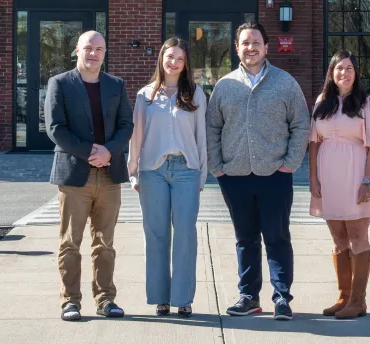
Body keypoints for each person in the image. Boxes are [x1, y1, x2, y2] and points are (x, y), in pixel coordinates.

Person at [207, 22, 309, 322]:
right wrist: (217, 167)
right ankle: (249, 297)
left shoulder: (285, 83)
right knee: (245, 238)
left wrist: (290, 163)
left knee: (277, 237)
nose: (250, 47)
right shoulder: (225, 86)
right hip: (234, 176)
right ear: (237, 48)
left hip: (275, 174)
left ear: (266, 47)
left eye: (255, 42)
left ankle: (281, 298)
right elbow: (212, 128)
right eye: (244, 42)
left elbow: (301, 124)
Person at [45, 30, 133, 322]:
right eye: (88, 48)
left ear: (104, 53)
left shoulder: (116, 85)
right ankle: (70, 301)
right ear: (77, 50)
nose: (93, 53)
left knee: (105, 243)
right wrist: (90, 152)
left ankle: (106, 299)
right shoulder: (60, 83)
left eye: (99, 49)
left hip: (109, 176)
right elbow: (55, 128)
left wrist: (108, 151)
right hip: (74, 176)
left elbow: (126, 125)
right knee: (70, 242)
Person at [128, 37, 207, 319]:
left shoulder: (196, 95)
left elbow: (201, 138)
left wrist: (201, 176)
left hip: (186, 170)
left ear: (186, 64)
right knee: (157, 234)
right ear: (161, 59)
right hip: (152, 172)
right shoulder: (145, 95)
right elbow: (136, 137)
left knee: (185, 234)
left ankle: (183, 298)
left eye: (180, 58)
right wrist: (133, 171)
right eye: (169, 56)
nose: (173, 62)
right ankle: (161, 297)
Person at [309, 50, 370, 320]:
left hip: (356, 176)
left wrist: (368, 180)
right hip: (328, 178)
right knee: (338, 238)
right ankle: (343, 297)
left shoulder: (367, 103)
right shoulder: (322, 102)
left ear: (357, 73)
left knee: (357, 236)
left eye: (349, 68)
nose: (344, 73)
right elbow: (314, 143)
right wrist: (313, 179)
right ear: (331, 73)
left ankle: (358, 300)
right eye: (339, 68)